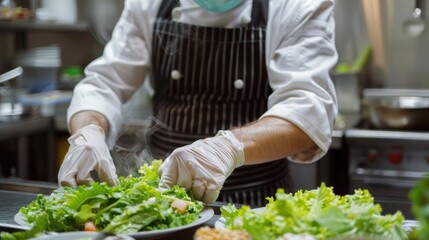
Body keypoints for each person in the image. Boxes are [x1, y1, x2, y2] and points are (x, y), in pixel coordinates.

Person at [58, 0, 338, 206]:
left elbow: (308, 111)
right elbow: (105, 83)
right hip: (165, 201)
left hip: (256, 204)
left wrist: (228, 148)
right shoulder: (149, 4)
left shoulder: (296, 5)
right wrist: (88, 131)